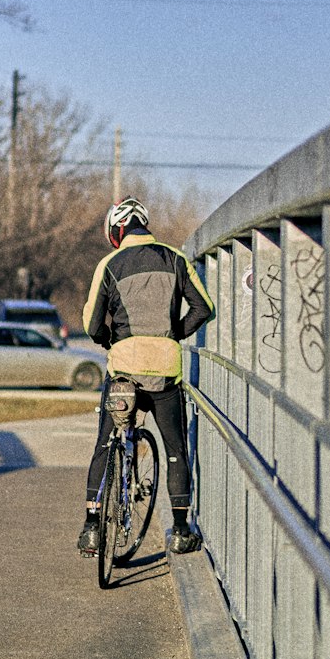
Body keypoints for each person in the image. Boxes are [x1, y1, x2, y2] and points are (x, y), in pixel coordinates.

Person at [78, 197, 215, 557]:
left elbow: (91, 323)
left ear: (117, 230)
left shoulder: (109, 264)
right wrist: (173, 334)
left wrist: (110, 340)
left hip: (124, 369)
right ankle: (181, 530)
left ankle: (92, 528)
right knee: (175, 450)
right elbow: (205, 308)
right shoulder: (176, 259)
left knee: (105, 444)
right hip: (165, 371)